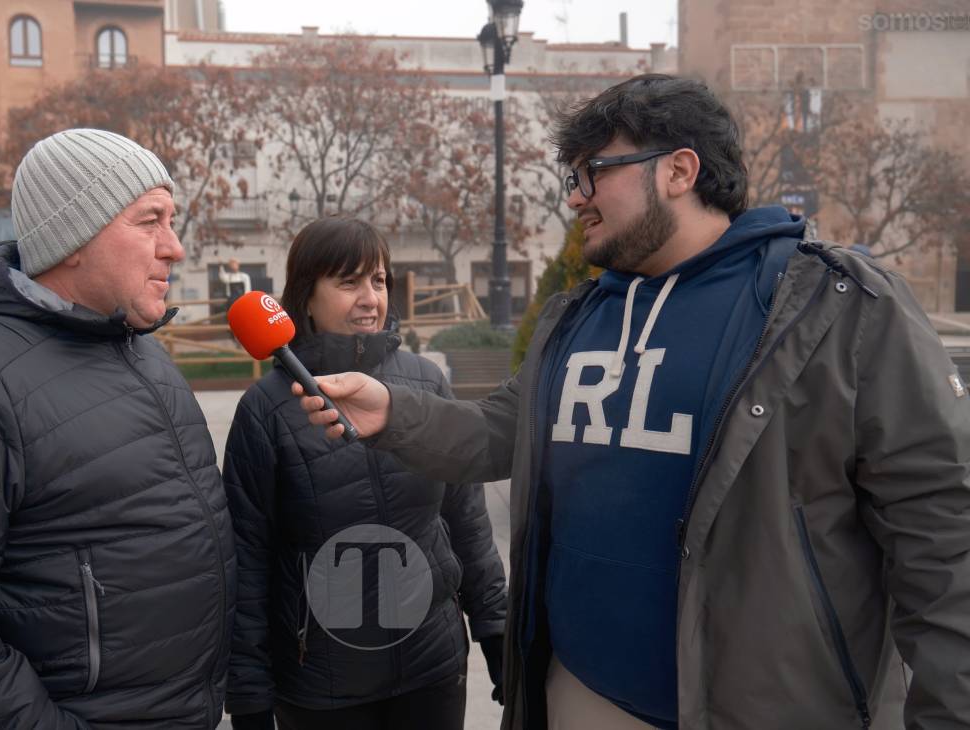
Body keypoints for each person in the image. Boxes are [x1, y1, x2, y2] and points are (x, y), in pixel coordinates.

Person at [296, 75, 970, 729]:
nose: (577, 197)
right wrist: (393, 410)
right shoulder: (578, 315)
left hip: (766, 708)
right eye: (574, 177)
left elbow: (942, 541)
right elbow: (502, 430)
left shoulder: (837, 306)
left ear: (679, 171)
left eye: (595, 171)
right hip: (574, 692)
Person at [0, 128, 235, 729]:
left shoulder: (148, 359)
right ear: (74, 236)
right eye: (149, 221)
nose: (175, 247)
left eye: (171, 220)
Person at [223, 216, 508, 730]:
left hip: (433, 668)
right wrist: (247, 694)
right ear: (305, 296)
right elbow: (248, 559)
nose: (370, 298)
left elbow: (466, 520)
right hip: (323, 684)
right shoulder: (265, 411)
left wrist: (496, 630)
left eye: (378, 281)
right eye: (349, 282)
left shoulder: (426, 382)